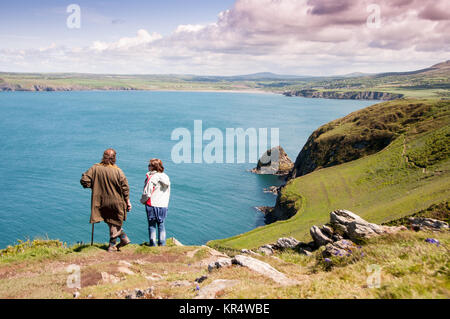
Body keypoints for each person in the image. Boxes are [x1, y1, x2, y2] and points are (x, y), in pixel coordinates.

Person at [80, 149, 132, 252]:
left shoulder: (95, 168)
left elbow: (84, 180)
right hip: (116, 201)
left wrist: (92, 186)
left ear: (103, 157)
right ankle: (113, 245)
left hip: (101, 200)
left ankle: (123, 239)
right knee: (115, 221)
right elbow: (125, 188)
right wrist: (128, 201)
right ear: (114, 158)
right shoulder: (118, 171)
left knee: (111, 221)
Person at [140, 158, 171, 246]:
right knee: (161, 225)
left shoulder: (152, 177)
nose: (148, 167)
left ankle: (153, 244)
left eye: (149, 165)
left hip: (152, 204)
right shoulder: (166, 177)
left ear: (153, 167)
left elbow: (147, 192)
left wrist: (142, 200)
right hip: (163, 205)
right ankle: (162, 244)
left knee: (152, 225)